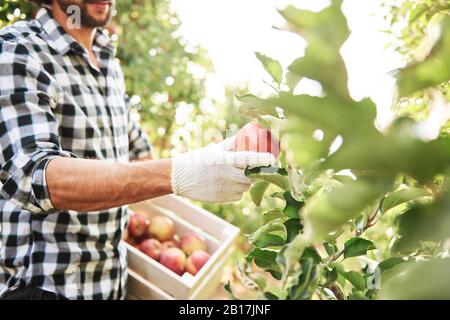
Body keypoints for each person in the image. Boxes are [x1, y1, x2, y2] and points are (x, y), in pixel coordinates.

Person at [0, 0, 275, 300]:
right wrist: (179, 172)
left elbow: (138, 156)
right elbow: (35, 176)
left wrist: (222, 154)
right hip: (43, 288)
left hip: (110, 284)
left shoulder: (108, 65)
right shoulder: (18, 50)